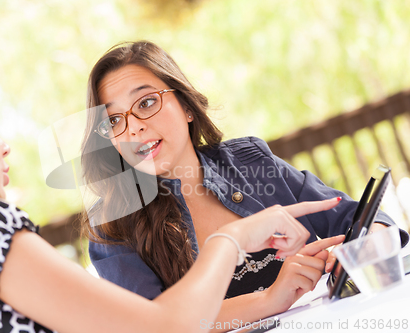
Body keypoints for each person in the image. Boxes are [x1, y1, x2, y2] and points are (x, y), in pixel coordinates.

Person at [0, 53, 343, 333]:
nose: (3, 142)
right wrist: (231, 242)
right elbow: (156, 327)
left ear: (187, 107)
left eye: (147, 104)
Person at [82, 40, 409, 329]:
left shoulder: (252, 163)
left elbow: (360, 218)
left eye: (146, 103)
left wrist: (361, 248)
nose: (134, 128)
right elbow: (150, 324)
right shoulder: (112, 225)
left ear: (185, 106)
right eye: (113, 120)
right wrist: (269, 298)